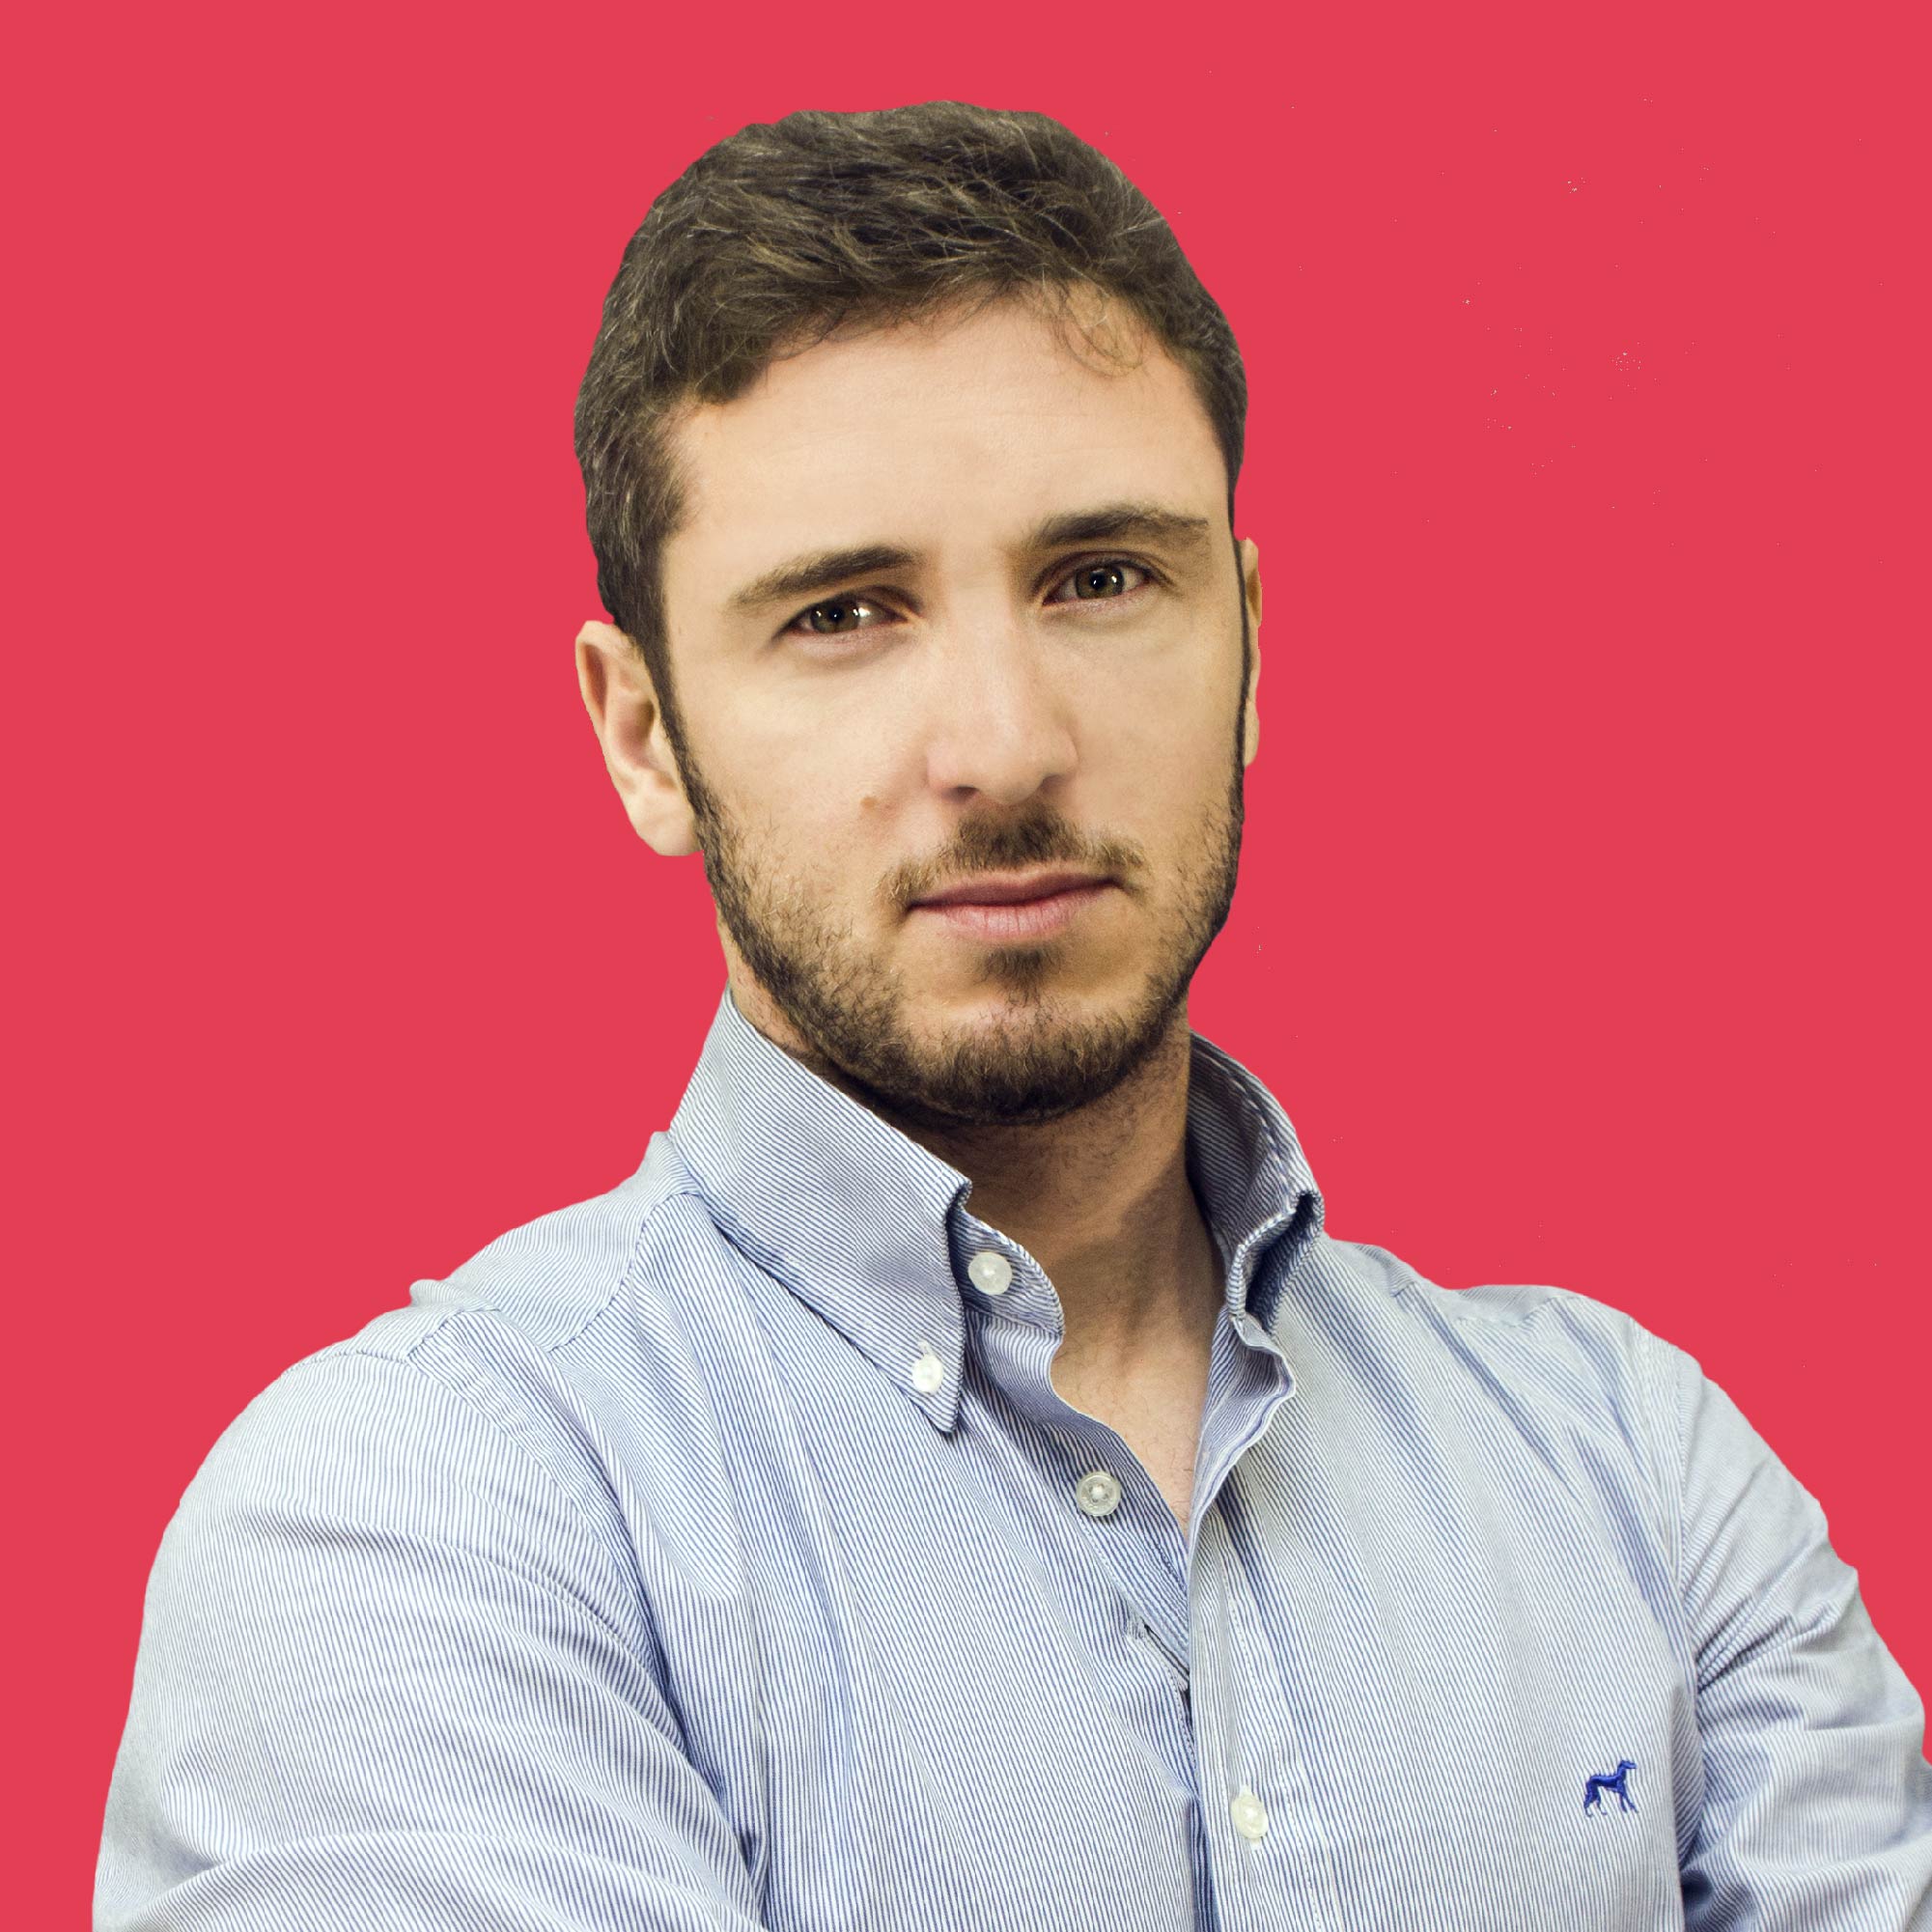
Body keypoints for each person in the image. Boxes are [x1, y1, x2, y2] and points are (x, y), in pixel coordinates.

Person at [96, 100, 1932, 1931]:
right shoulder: (424, 1518)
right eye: (842, 613)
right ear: (643, 734)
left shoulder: (1632, 1471)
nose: (1004, 745)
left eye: (1102, 579)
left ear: (1247, 643)